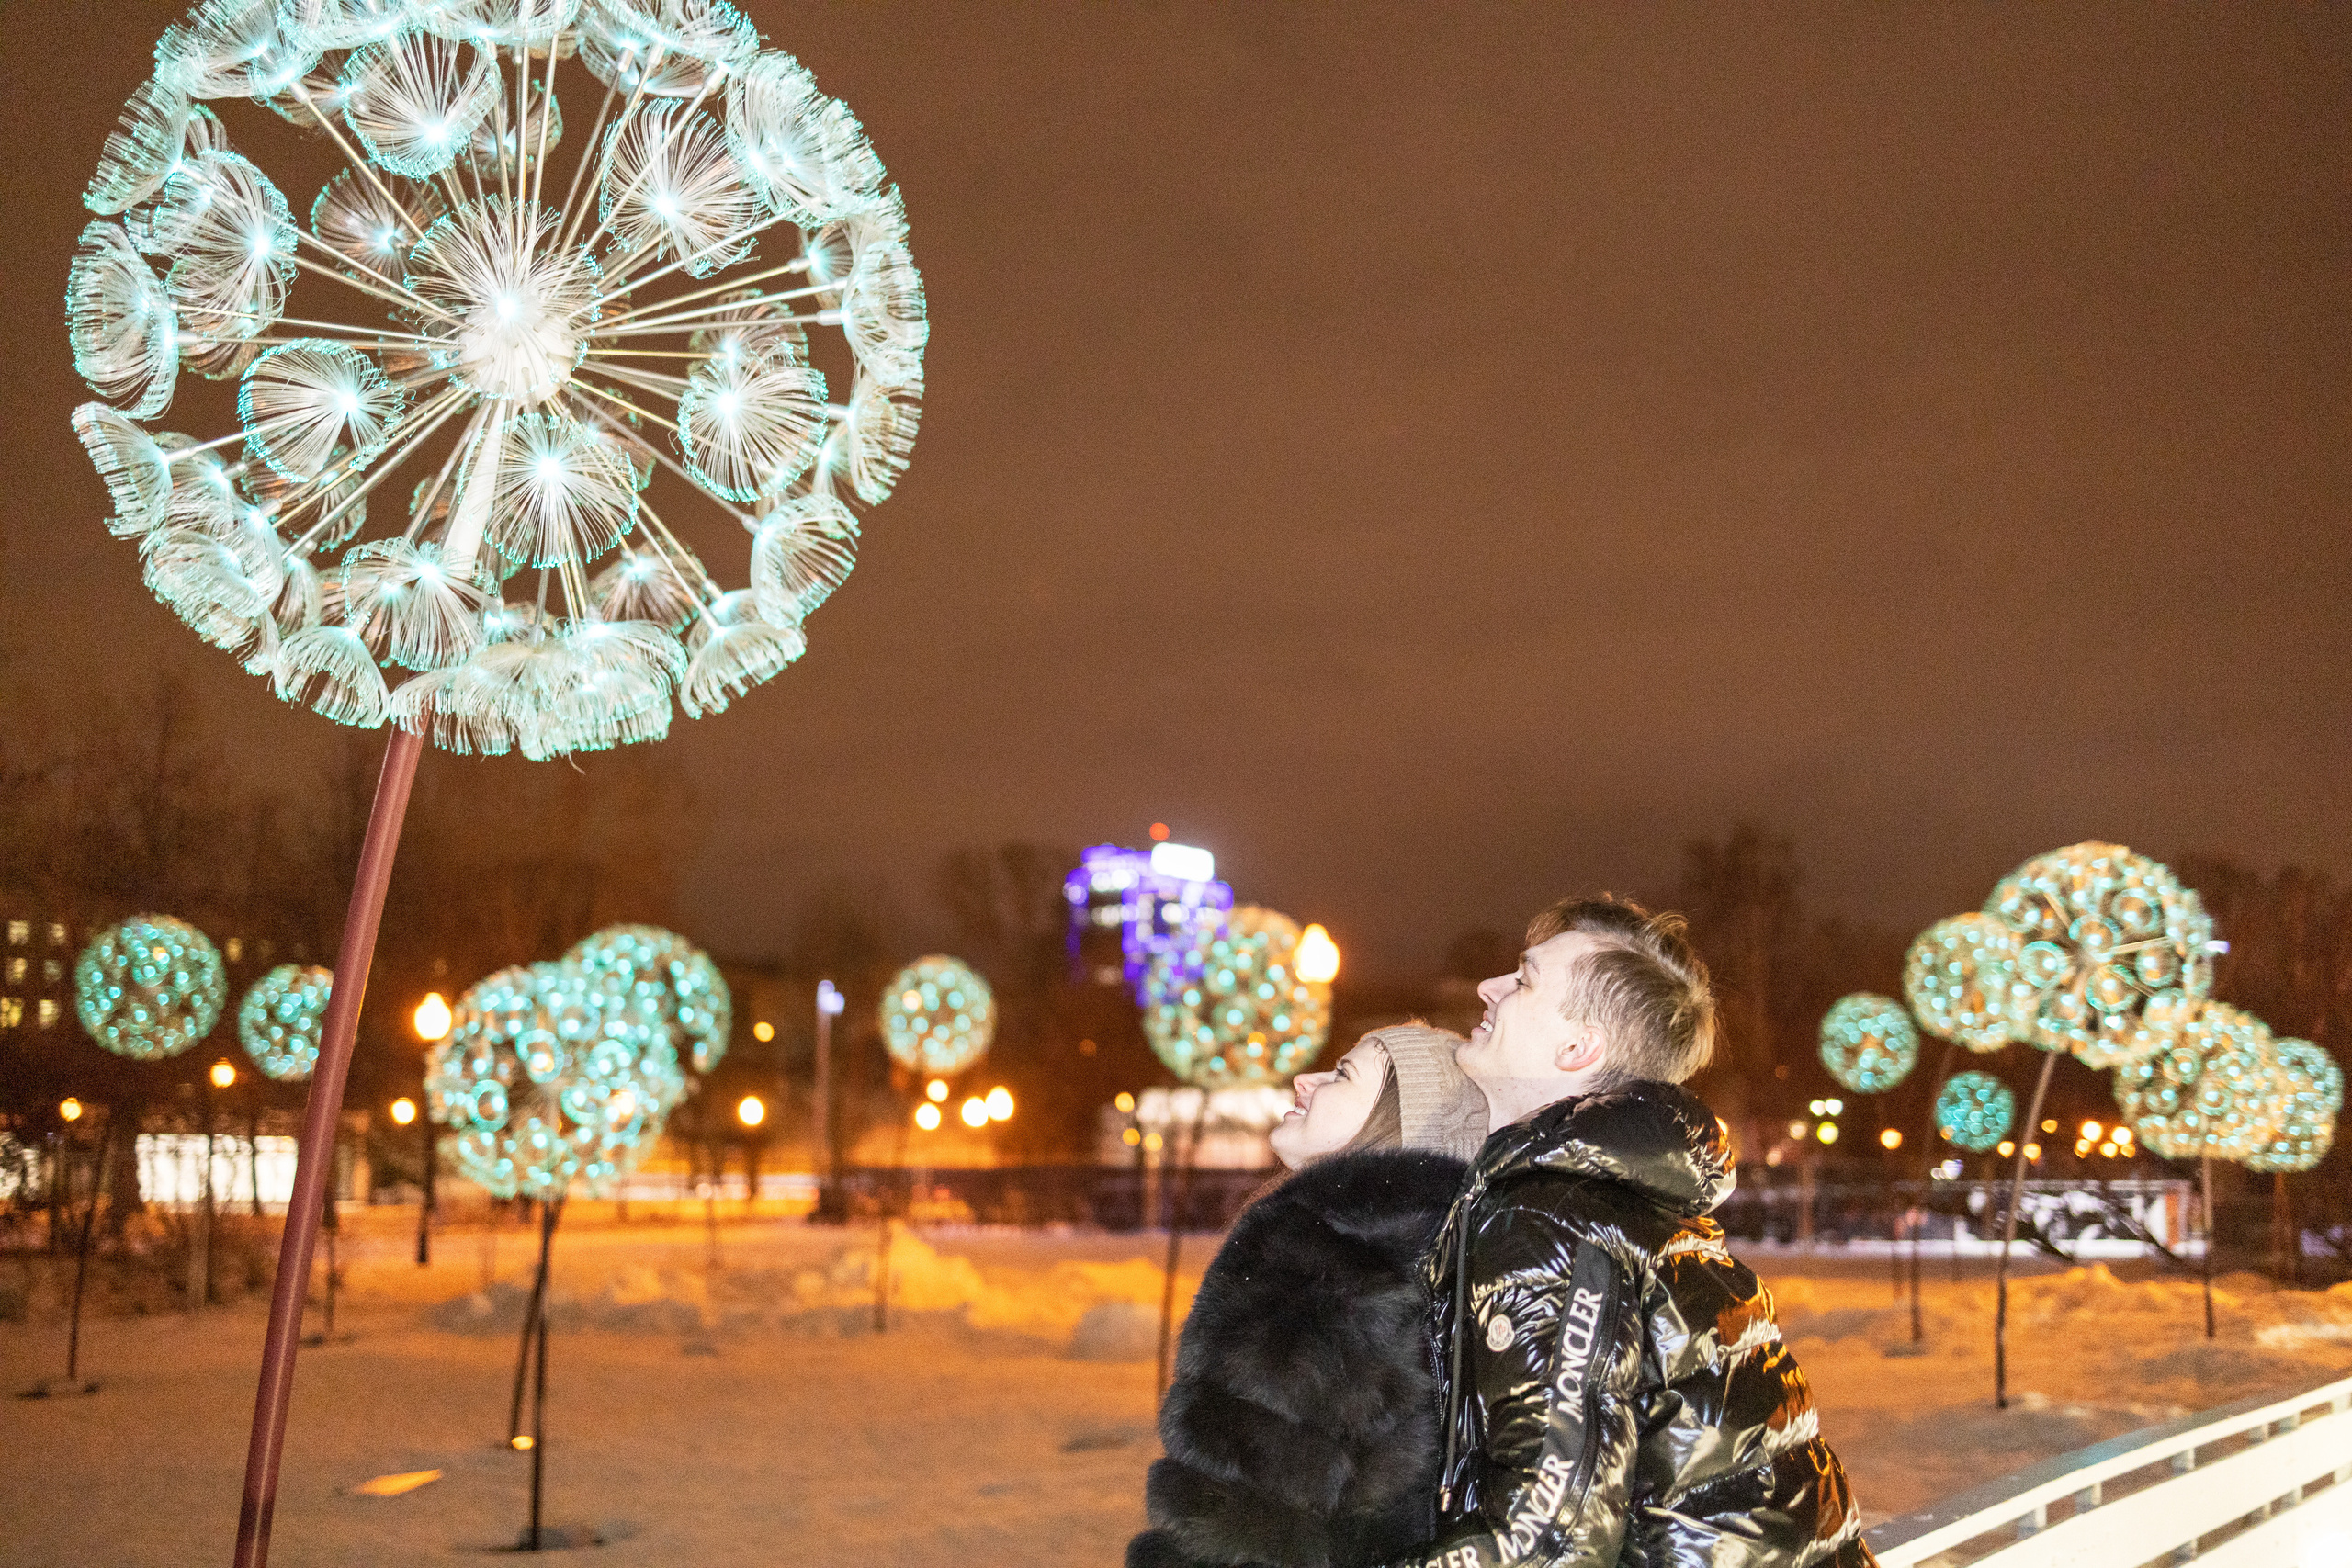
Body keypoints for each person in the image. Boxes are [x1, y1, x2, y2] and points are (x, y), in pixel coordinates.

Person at [1378, 894, 1873, 1568]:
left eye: (1523, 980)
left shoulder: (1550, 1217)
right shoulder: (1623, 1198)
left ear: (1579, 1046)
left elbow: (1549, 1537)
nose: (1488, 987)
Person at [1128, 1024, 1490, 1568]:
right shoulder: (1457, 1254)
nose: (1304, 1079)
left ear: (1405, 1118)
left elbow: (1240, 1516)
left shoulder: (1322, 1254)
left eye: (1344, 1074)